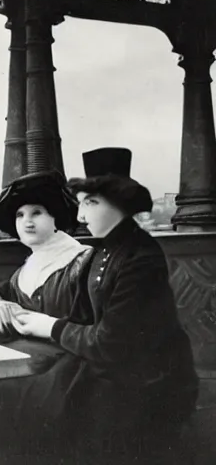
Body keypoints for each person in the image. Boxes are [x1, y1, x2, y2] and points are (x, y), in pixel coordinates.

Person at [11, 147, 199, 464]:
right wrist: (39, 323)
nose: (81, 216)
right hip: (117, 371)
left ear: (119, 203)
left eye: (90, 203)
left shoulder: (141, 257)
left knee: (58, 412)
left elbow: (112, 341)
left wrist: (49, 327)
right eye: (82, 204)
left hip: (151, 383)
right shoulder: (104, 251)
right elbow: (86, 318)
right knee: (31, 395)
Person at [0, 170, 92, 463]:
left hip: (67, 365)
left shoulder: (82, 262)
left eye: (37, 212)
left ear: (56, 219)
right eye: (20, 215)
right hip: (27, 364)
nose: (27, 221)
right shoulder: (25, 272)